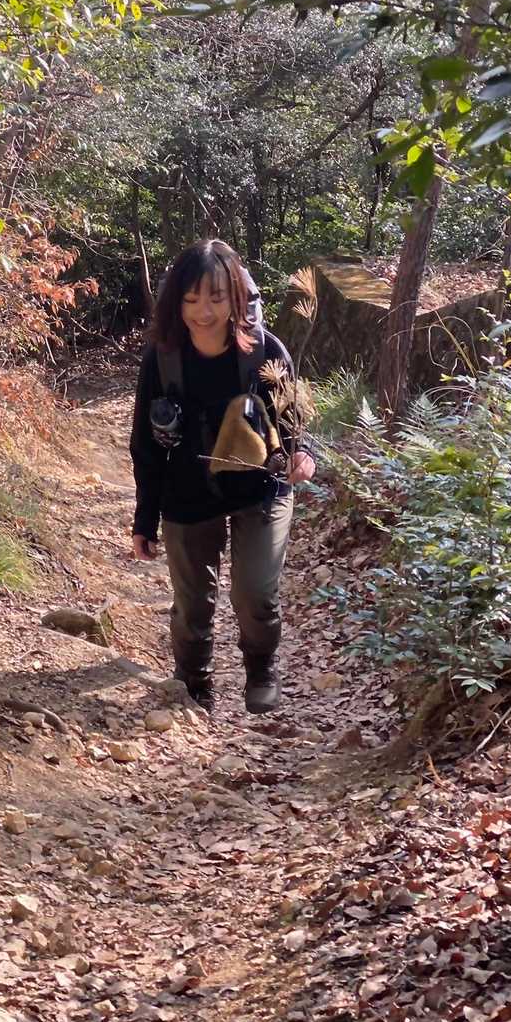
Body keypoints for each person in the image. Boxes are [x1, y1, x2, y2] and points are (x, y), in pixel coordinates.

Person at [129, 239, 315, 714]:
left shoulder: (266, 351)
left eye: (215, 298)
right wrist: (145, 519)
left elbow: (293, 424)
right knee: (192, 603)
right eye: (191, 299)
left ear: (237, 296)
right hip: (186, 492)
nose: (204, 312)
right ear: (176, 302)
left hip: (261, 488)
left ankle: (261, 668)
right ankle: (194, 682)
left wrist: (302, 455)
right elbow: (145, 443)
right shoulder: (162, 358)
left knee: (255, 593)